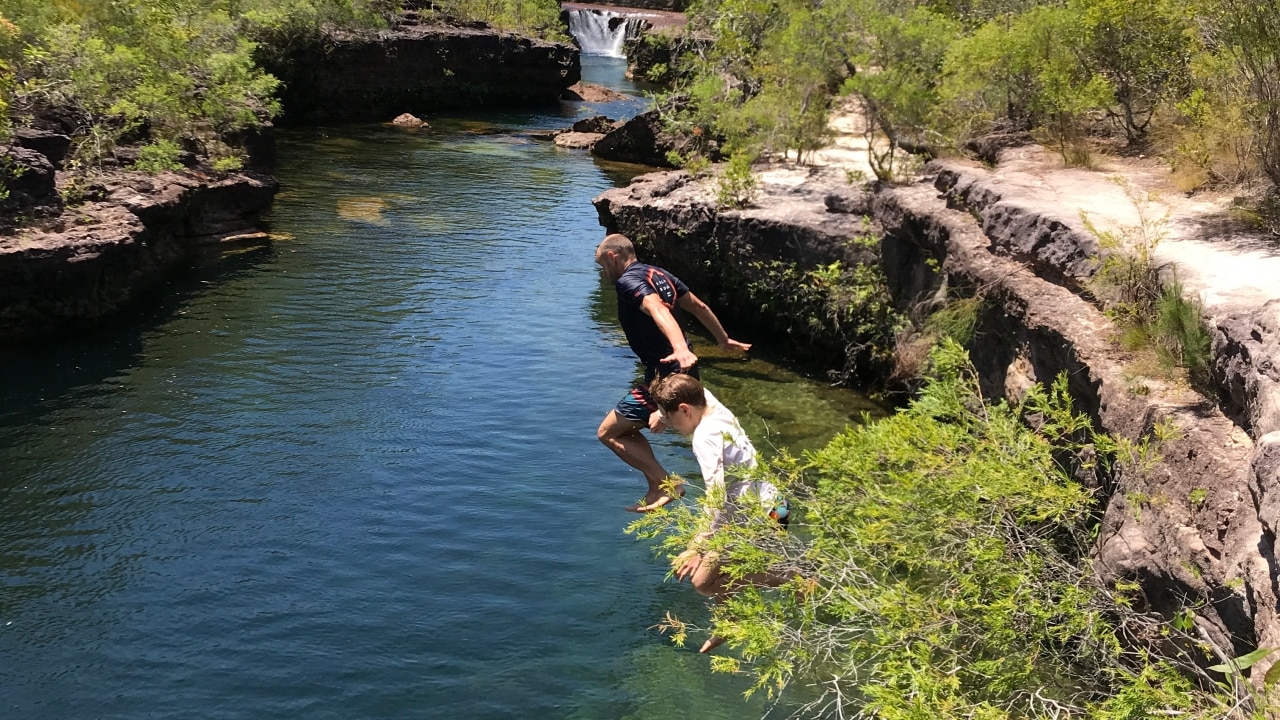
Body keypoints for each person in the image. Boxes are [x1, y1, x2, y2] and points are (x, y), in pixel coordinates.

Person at [594, 233, 751, 512]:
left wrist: (679, 348)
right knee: (626, 429)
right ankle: (660, 484)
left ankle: (667, 484)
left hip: (665, 376)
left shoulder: (628, 281)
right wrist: (722, 339)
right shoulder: (660, 274)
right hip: (681, 371)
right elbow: (699, 306)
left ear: (612, 257)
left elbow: (656, 309)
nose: (604, 273)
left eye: (602, 266)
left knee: (609, 432)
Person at [649, 372, 789, 653]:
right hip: (778, 505)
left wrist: (696, 545)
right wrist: (662, 414)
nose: (673, 427)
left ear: (685, 409)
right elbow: (695, 388)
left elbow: (716, 497)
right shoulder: (713, 406)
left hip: (761, 517)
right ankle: (730, 623)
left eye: (672, 417)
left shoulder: (704, 438)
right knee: (719, 574)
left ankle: (797, 576)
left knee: (702, 581)